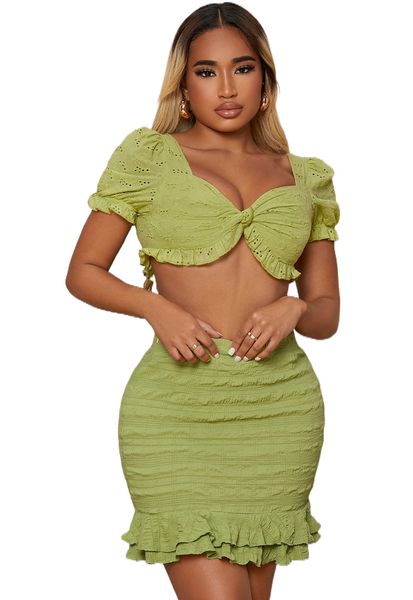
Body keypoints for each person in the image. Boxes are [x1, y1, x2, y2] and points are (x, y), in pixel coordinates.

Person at [65, 3, 340, 599]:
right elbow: (82, 272)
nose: (227, 88)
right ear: (184, 85)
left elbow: (326, 315)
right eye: (207, 71)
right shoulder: (148, 158)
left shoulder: (306, 178)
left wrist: (295, 307)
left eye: (242, 68)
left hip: (279, 409)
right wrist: (154, 307)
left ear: (265, 79)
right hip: (176, 408)